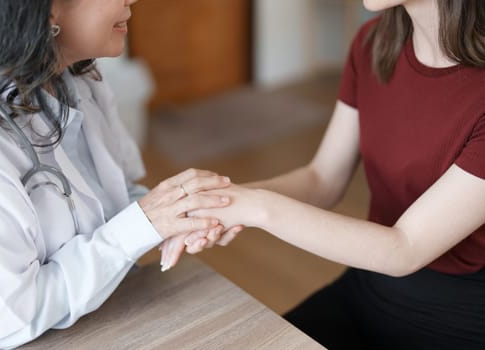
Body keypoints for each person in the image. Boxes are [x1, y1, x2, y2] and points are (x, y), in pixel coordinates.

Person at [162, 0, 485, 348]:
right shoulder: (373, 43)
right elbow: (322, 179)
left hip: (457, 319)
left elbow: (404, 248)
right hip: (368, 288)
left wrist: (254, 207)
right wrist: (219, 203)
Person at [0, 0, 233, 348]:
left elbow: (118, 196)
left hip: (108, 317)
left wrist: (180, 216)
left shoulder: (77, 79)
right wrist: (142, 226)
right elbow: (7, 316)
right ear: (47, 9)